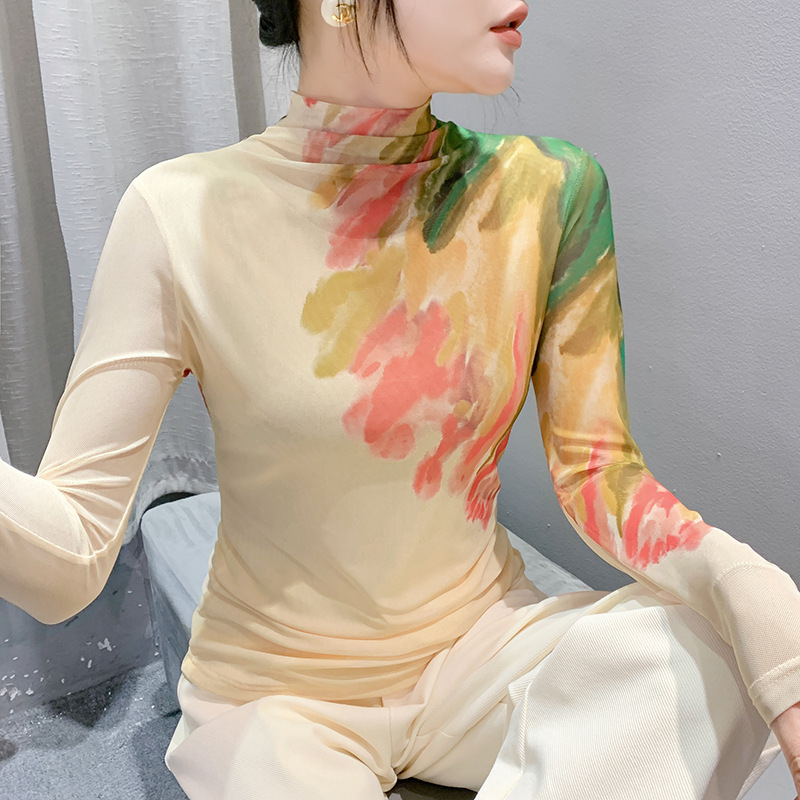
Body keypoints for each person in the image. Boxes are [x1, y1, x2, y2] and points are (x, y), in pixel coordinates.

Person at [2, 0, 799, 797]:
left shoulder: (550, 190)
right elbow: (72, 557)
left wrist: (759, 599)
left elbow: (598, 472)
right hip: (277, 697)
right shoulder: (180, 211)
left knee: (725, 644)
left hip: (486, 649)